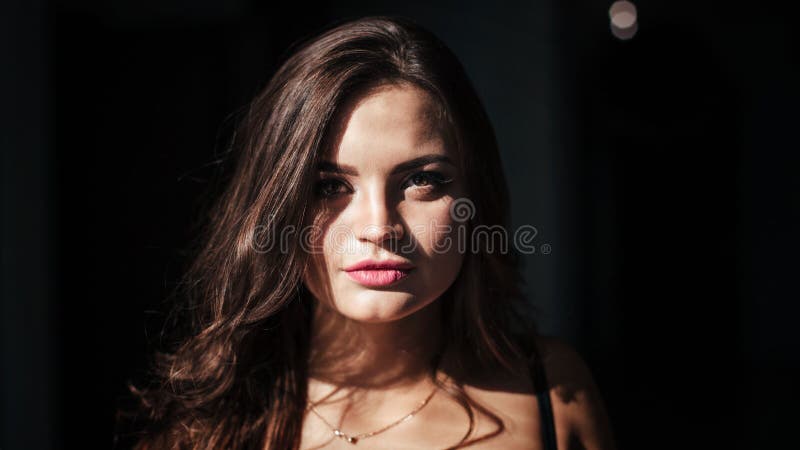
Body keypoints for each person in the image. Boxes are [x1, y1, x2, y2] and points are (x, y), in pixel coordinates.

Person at [119, 16, 615, 450]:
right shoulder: (208, 423)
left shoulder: (552, 390)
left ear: (475, 197)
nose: (379, 228)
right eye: (330, 185)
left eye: (422, 180)